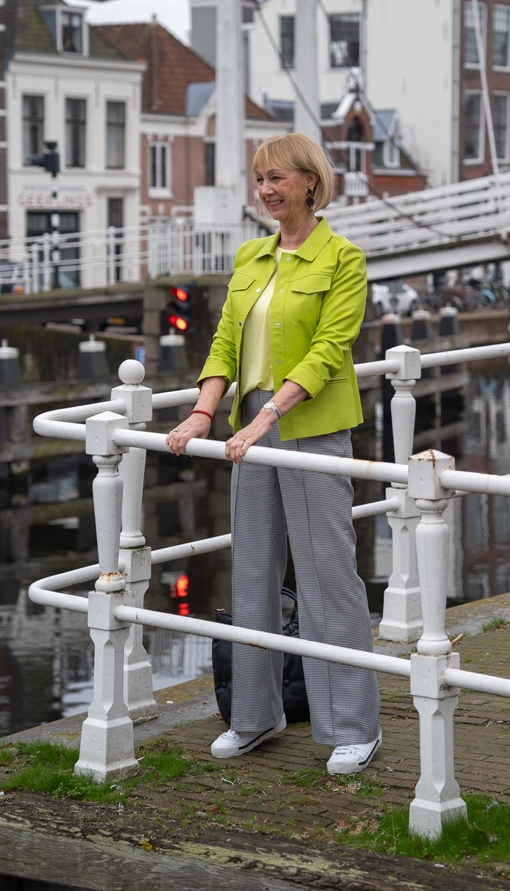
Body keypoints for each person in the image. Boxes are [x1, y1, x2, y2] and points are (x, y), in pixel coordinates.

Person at [166, 133, 381, 775]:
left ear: (310, 181)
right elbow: (224, 345)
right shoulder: (251, 257)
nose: (265, 190)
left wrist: (267, 416)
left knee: (327, 577)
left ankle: (354, 727)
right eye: (259, 180)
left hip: (308, 424)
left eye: (277, 178)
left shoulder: (343, 259)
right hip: (250, 428)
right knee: (254, 572)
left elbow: (329, 350)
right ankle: (254, 716)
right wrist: (203, 411)